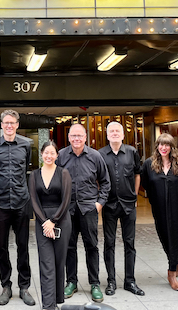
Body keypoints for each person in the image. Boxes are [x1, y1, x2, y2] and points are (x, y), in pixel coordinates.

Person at [0, 110, 36, 306]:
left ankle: (24, 287)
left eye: (12, 122)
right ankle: (6, 286)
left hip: (21, 202)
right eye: (5, 122)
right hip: (0, 203)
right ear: (1, 125)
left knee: (23, 246)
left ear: (17, 124)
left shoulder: (25, 144)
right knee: (1, 247)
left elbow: (25, 172)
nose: (8, 125)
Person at [58, 123, 110, 303]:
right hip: (68, 211)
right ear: (69, 138)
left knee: (92, 246)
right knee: (69, 247)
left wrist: (99, 203)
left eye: (80, 136)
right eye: (73, 136)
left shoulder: (95, 156)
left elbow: (105, 182)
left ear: (85, 137)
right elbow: (54, 181)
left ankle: (94, 283)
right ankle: (71, 282)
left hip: (89, 209)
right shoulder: (61, 156)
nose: (76, 139)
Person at [140, 133, 178, 291]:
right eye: (161, 145)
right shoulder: (149, 164)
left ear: (172, 147)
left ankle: (172, 272)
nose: (164, 148)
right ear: (157, 146)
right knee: (165, 237)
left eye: (167, 145)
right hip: (160, 209)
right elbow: (145, 184)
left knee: (176, 237)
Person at [98, 121, 144, 296]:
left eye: (118, 131)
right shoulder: (100, 154)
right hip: (109, 205)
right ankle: (111, 281)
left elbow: (137, 173)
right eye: (112, 131)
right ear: (108, 135)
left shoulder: (132, 152)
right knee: (109, 243)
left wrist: (135, 195)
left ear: (123, 135)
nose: (115, 133)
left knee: (129, 243)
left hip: (128, 204)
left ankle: (130, 281)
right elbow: (98, 178)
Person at [29, 141, 72, 310]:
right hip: (42, 222)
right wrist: (45, 222)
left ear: (57, 155)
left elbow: (66, 200)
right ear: (41, 154)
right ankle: (48, 305)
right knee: (46, 263)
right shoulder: (34, 175)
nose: (49, 156)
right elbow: (33, 200)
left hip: (61, 221)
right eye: (46, 153)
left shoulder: (64, 173)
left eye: (52, 153)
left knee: (59, 262)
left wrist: (53, 221)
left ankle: (56, 300)